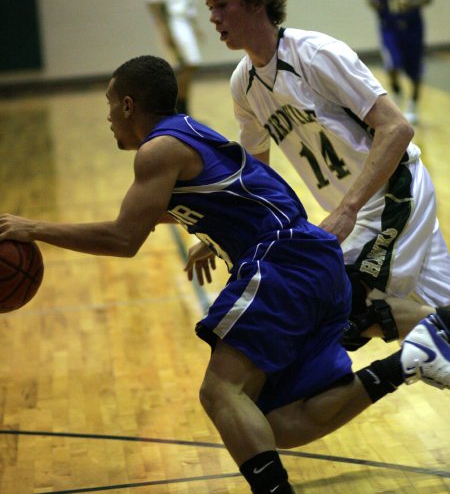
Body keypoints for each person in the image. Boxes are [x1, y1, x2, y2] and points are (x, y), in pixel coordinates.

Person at [1, 55, 449, 494]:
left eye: (109, 105)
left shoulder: (158, 149)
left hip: (283, 261)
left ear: (128, 106)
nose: (108, 118)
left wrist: (34, 227)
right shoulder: (190, 134)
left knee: (221, 392)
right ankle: (407, 361)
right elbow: (235, 195)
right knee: (274, 423)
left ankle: (421, 321)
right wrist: (208, 229)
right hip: (309, 258)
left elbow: (125, 238)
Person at [201, 0, 450, 354]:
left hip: (393, 195)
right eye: (210, 7)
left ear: (256, 2)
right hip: (359, 206)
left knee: (344, 301)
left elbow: (396, 128)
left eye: (222, 6)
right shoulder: (242, 83)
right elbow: (256, 177)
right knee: (442, 312)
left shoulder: (314, 54)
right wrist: (218, 231)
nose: (213, 18)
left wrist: (348, 208)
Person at [367, 0, 432, 124]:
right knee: (392, 64)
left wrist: (411, 2)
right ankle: (396, 93)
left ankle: (413, 103)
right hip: (389, 26)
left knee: (414, 67)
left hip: (412, 25)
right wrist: (374, 2)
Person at [145, 0, 202, 115]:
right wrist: (165, 30)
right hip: (173, 20)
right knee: (189, 63)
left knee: (187, 66)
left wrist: (195, 25)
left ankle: (180, 111)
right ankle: (179, 111)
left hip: (186, 20)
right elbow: (154, 1)